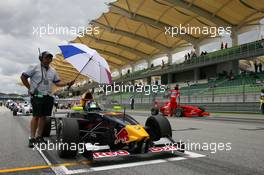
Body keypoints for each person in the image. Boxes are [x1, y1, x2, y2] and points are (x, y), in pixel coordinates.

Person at [21, 51, 75, 148]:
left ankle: (39, 137)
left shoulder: (53, 71)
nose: (48, 60)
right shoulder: (34, 67)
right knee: (36, 116)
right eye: (46, 58)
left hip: (48, 96)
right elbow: (23, 77)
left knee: (44, 117)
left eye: (50, 58)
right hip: (37, 96)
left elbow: (57, 83)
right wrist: (30, 89)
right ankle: (32, 138)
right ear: (41, 58)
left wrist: (68, 83)